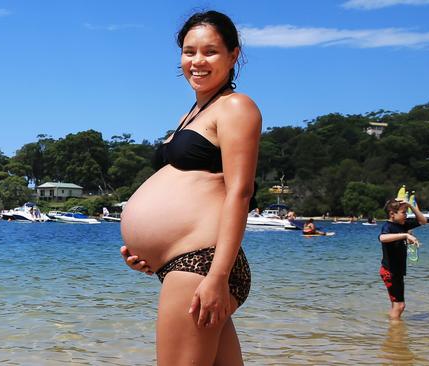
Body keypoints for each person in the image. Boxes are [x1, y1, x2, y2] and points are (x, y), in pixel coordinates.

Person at [118, 10, 261, 365]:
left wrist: (217, 277)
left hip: (203, 264)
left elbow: (240, 194)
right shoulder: (194, 113)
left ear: (234, 54)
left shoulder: (235, 107)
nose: (197, 61)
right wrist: (150, 254)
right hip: (185, 264)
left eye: (210, 51)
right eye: (189, 51)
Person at [379, 198, 427, 320]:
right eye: (403, 212)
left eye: (406, 212)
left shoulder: (403, 224)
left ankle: (393, 328)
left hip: (397, 272)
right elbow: (382, 238)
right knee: (399, 305)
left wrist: (411, 205)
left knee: (398, 305)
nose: (406, 215)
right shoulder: (388, 226)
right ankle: (395, 333)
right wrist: (405, 235)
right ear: (392, 214)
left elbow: (423, 221)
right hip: (390, 271)